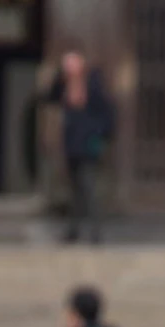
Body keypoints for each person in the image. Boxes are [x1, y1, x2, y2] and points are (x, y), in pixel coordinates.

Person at [47, 49, 114, 243]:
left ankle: (95, 232)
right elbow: (50, 97)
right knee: (74, 190)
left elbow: (108, 115)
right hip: (71, 144)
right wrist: (60, 77)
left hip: (88, 144)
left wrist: (99, 136)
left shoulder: (93, 86)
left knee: (89, 188)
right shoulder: (64, 85)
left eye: (73, 63)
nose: (70, 68)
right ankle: (73, 231)